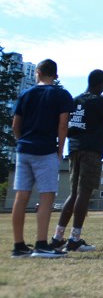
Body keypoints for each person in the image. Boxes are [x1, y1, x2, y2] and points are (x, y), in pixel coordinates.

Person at [50, 69, 103, 252]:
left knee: (73, 193)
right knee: (84, 193)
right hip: (91, 152)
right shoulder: (100, 101)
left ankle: (57, 237)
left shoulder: (74, 101)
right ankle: (74, 239)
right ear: (101, 84)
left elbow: (71, 126)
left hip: (74, 149)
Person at [10, 59, 74, 258]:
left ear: (37, 72)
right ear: (55, 75)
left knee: (22, 196)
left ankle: (19, 245)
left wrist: (22, 142)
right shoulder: (61, 95)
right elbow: (63, 125)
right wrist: (59, 150)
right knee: (47, 195)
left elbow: (15, 125)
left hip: (24, 149)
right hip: (45, 150)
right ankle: (41, 244)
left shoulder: (25, 94)